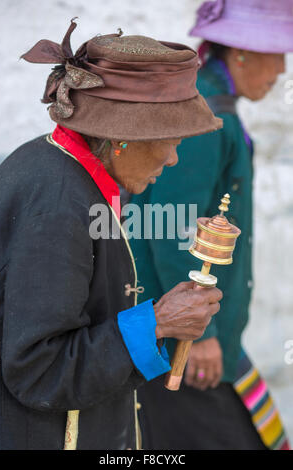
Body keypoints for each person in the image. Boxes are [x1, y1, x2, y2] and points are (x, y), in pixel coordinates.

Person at [0, 19, 223, 450]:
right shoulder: (57, 201)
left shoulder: (64, 170)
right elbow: (38, 369)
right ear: (122, 139)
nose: (174, 159)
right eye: (170, 139)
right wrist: (156, 323)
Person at [131, 0, 292, 450]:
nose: (281, 70)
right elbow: (176, 227)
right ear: (240, 52)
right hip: (183, 345)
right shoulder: (204, 116)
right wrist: (196, 336)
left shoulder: (216, 105)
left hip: (199, 334)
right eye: (275, 54)